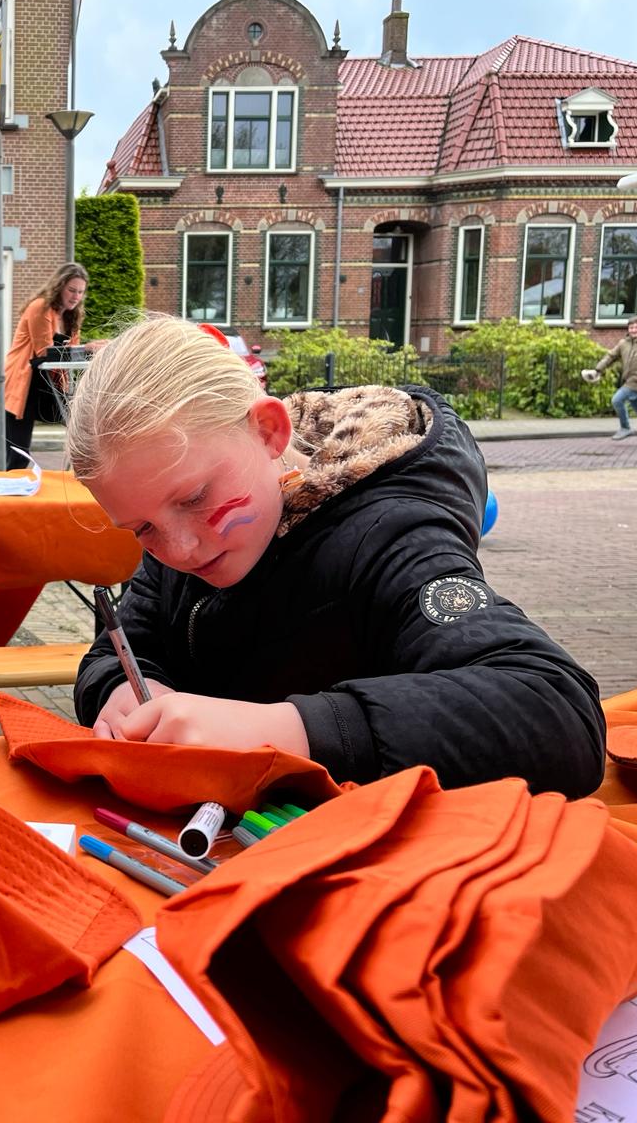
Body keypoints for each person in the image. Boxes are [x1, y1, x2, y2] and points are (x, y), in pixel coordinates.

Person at [68, 316, 605, 798]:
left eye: (194, 499)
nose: (180, 548)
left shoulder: (391, 535)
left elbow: (558, 712)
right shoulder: (182, 533)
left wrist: (292, 732)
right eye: (141, 529)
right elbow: (120, 649)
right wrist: (121, 690)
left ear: (268, 431)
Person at [0, 262, 87, 470]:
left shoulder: (71, 316)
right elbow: (44, 353)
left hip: (50, 384)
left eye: (81, 292)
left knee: (83, 428)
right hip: (23, 385)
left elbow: (69, 357)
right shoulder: (40, 307)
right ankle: (11, 497)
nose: (76, 296)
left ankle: (75, 480)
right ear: (59, 287)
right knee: (18, 453)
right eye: (72, 290)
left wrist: (91, 351)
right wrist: (86, 349)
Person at [579, 317, 637, 444]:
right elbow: (611, 356)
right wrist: (597, 370)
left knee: (617, 400)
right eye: (631, 327)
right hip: (629, 380)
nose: (633, 330)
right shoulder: (623, 343)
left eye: (636, 327)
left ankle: (625, 427)